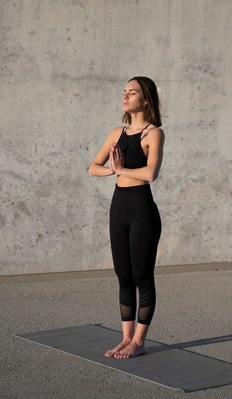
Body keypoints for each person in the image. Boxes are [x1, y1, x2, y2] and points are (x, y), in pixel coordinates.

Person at [88, 76, 164, 359]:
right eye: (124, 91)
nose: (126, 95)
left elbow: (150, 174)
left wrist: (121, 169)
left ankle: (140, 342)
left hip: (142, 210)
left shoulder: (153, 133)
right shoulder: (115, 133)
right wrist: (111, 170)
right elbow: (93, 167)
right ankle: (125, 337)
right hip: (118, 208)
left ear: (145, 99)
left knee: (142, 275)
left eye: (132, 92)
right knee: (123, 276)